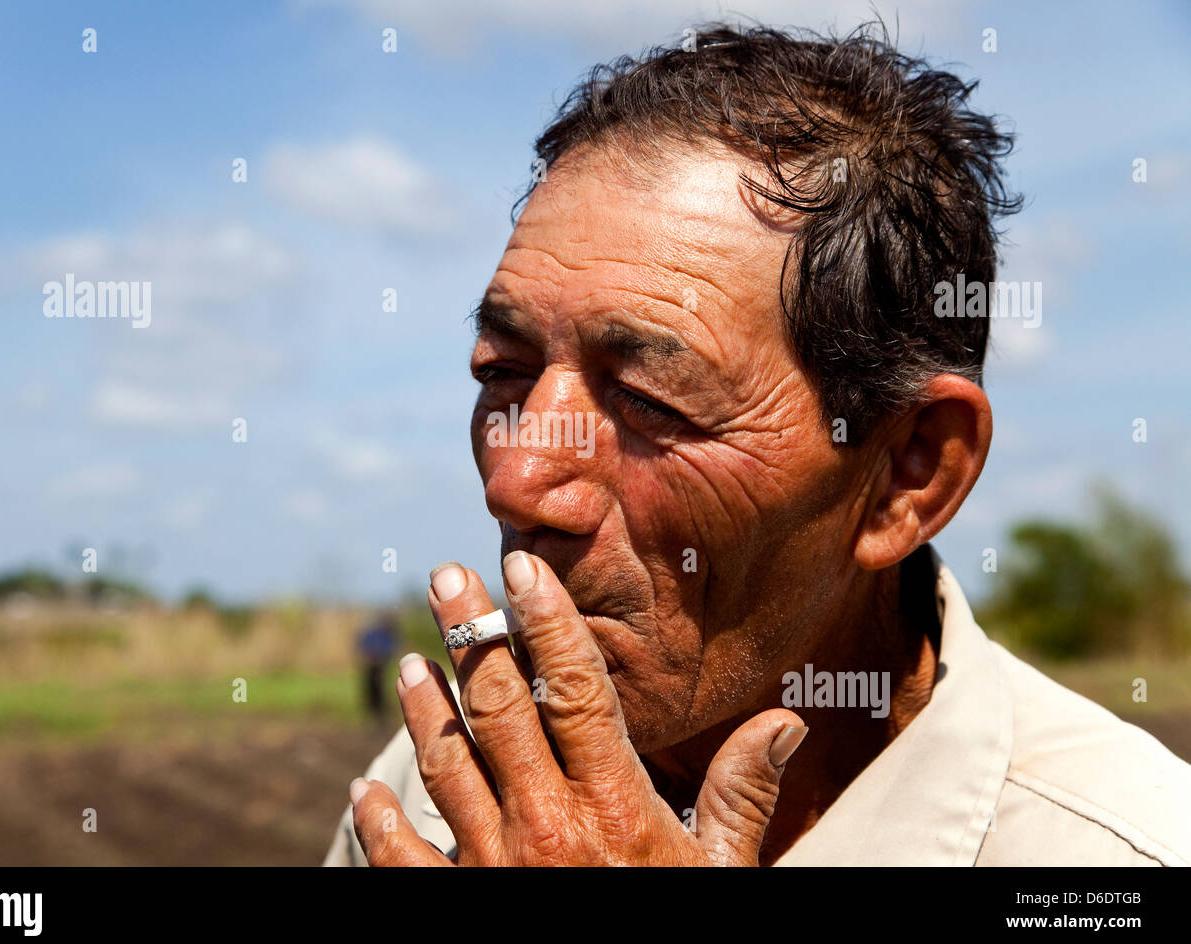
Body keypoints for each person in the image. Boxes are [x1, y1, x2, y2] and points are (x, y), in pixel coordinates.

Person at [327, 21, 1191, 866]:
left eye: (647, 400)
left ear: (908, 472)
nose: (515, 481)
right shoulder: (433, 792)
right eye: (503, 374)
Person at [355, 612, 398, 721]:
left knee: (380, 687)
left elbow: (390, 649)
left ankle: (380, 710)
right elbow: (363, 645)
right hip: (370, 665)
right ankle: (372, 709)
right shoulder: (374, 633)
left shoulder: (388, 635)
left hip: (380, 666)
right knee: (370, 687)